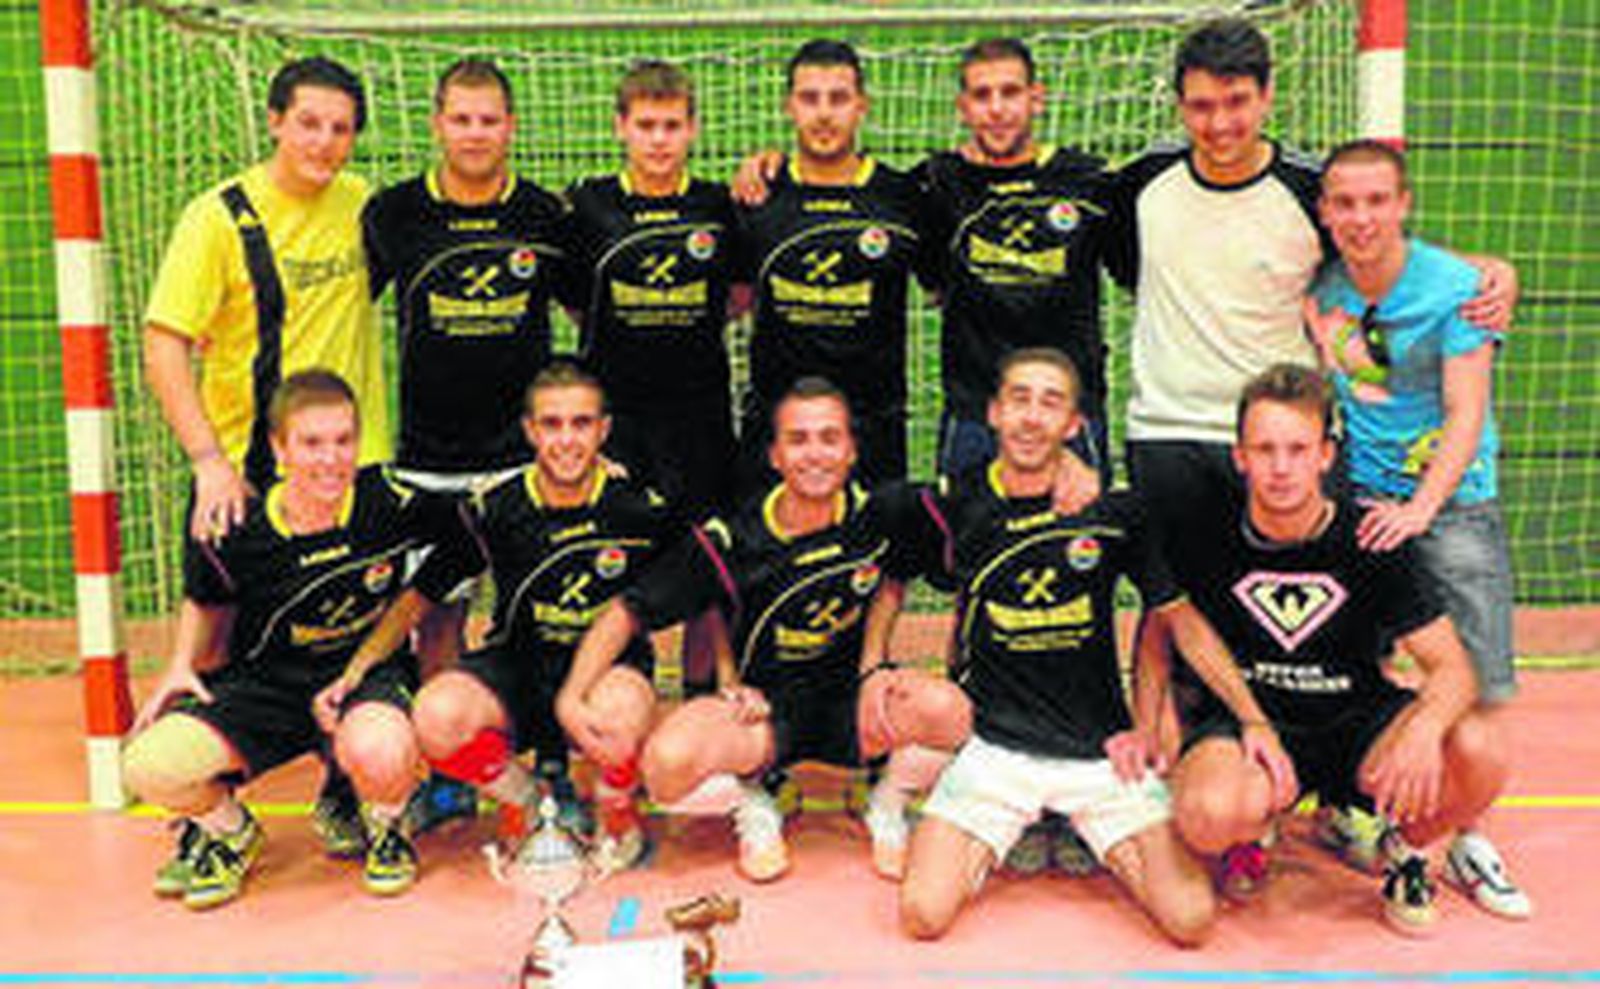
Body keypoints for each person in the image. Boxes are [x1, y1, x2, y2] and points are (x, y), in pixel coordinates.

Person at [896, 348, 1253, 946]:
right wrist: (878, 666)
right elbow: (882, 561)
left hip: (1099, 750)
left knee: (1191, 920)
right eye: (1019, 399)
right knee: (922, 913)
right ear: (994, 413)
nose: (1032, 418)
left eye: (1050, 402)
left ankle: (1096, 833)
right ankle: (999, 832)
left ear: (1075, 424)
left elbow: (1176, 621)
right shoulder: (953, 504)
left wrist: (1231, 719)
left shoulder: (1113, 510)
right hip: (997, 748)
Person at [565, 377, 972, 882]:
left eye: (830, 438)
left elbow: (902, 565)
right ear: (775, 455)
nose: (815, 454)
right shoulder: (734, 538)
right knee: (666, 767)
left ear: (851, 451)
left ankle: (888, 803)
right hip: (764, 715)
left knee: (956, 715)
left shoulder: (882, 513)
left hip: (856, 709)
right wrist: (573, 698)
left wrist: (874, 667)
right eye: (798, 440)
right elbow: (626, 611)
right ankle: (753, 802)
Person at [1157, 363, 1509, 935]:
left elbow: (1453, 670)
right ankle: (1253, 831)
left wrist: (1423, 730)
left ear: (1326, 455)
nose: (1280, 467)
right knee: (1207, 814)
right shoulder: (1207, 533)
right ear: (1239, 456)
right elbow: (1166, 622)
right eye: (1264, 449)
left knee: (1480, 747)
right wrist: (1161, 719)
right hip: (1254, 728)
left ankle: (1408, 851)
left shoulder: (1372, 539)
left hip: (1357, 724)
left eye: (1297, 449)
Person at [141, 55, 389, 860]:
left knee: (359, 633)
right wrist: (209, 457)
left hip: (358, 466)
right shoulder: (217, 217)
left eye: (342, 127)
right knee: (217, 639)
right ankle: (205, 816)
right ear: (275, 120)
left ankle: (352, 786)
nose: (325, 141)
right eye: (310, 122)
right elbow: (164, 340)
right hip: (249, 472)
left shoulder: (360, 207)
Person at [120, 371, 466, 908]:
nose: (331, 459)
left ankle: (386, 826)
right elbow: (206, 597)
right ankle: (229, 833)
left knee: (384, 749)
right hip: (268, 689)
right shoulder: (237, 525)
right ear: (279, 449)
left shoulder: (391, 502)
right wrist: (181, 664)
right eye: (311, 443)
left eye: (343, 440)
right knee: (149, 766)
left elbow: (471, 534)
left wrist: (386, 638)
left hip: (363, 682)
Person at [1304, 140, 1530, 919]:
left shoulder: (1457, 290)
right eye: (1345, 203)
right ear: (1326, 211)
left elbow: (1466, 412)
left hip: (1449, 503)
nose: (1361, 217)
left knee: (1476, 677)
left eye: (1377, 201)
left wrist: (1422, 510)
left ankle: (1465, 832)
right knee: (1364, 668)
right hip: (1362, 498)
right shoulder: (1322, 286)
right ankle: (1354, 804)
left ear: (1403, 204)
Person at [357, 362, 681, 869]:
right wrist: (358, 668)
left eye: (581, 424)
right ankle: (527, 801)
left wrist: (725, 675)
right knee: (437, 715)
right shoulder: (494, 508)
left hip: (603, 678)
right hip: (519, 671)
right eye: (551, 425)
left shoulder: (639, 509)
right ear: (530, 431)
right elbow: (423, 592)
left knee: (621, 714)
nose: (567, 440)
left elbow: (703, 584)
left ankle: (616, 810)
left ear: (604, 430)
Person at [363, 57, 580, 666]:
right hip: (429, 459)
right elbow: (343, 309)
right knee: (436, 618)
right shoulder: (394, 213)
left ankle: (538, 748)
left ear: (510, 125)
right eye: (461, 119)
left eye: (488, 119)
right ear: (437, 124)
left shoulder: (545, 215)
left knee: (533, 614)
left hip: (523, 458)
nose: (475, 132)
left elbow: (588, 319)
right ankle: (448, 757)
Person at [565, 59, 744, 697]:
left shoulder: (718, 206)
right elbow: (575, 301)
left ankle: (703, 702)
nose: (659, 139)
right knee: (611, 559)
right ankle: (617, 695)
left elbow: (741, 295)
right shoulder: (589, 207)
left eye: (672, 125)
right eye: (646, 125)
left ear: (693, 128)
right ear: (622, 128)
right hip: (619, 424)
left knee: (706, 561)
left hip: (698, 418)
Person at [734, 40, 937, 488]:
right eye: (809, 98)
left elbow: (944, 292)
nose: (824, 114)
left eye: (839, 98)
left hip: (872, 431)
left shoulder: (902, 198)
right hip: (776, 431)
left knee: (874, 557)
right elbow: (735, 299)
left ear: (862, 106)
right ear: (789, 106)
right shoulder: (757, 197)